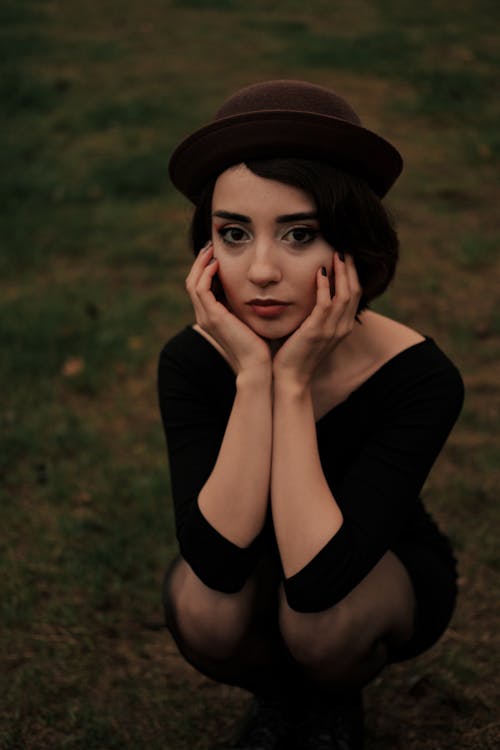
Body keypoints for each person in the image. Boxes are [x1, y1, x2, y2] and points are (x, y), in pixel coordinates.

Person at [158, 80, 464, 750]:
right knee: (205, 610)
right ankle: (280, 697)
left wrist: (291, 382)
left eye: (300, 234)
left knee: (318, 624)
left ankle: (331, 699)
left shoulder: (420, 377)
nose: (261, 270)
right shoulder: (190, 363)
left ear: (350, 246)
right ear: (206, 250)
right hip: (245, 569)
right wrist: (251, 375)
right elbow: (213, 561)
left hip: (366, 569)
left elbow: (324, 579)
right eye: (233, 234)